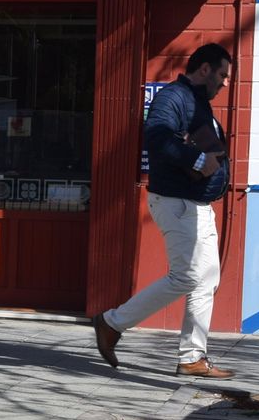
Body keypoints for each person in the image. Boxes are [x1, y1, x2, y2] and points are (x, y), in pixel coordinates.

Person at [91, 43, 234, 378]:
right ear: (204, 70)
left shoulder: (196, 102)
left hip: (196, 205)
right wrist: (199, 160)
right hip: (177, 204)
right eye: (223, 75)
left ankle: (192, 357)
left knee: (206, 279)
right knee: (186, 277)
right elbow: (156, 137)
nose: (225, 83)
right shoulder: (174, 98)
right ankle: (111, 323)